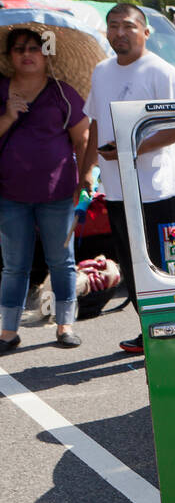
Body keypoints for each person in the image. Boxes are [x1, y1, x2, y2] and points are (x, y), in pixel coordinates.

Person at [83, 3, 175, 354]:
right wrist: (86, 171)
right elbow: (95, 124)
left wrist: (133, 148)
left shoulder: (162, 72)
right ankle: (151, 331)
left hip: (160, 190)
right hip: (117, 191)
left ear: (145, 32)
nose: (119, 33)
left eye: (127, 26)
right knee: (132, 265)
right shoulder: (101, 72)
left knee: (167, 264)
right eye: (112, 26)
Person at [0, 28, 91, 351]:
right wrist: (9, 116)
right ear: (9, 56)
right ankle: (8, 332)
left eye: (34, 49)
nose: (27, 54)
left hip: (58, 194)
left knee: (62, 261)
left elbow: (83, 138)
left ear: (46, 54)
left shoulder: (62, 94)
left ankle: (65, 325)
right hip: (9, 194)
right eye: (19, 49)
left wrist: (84, 180)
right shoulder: (1, 90)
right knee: (14, 265)